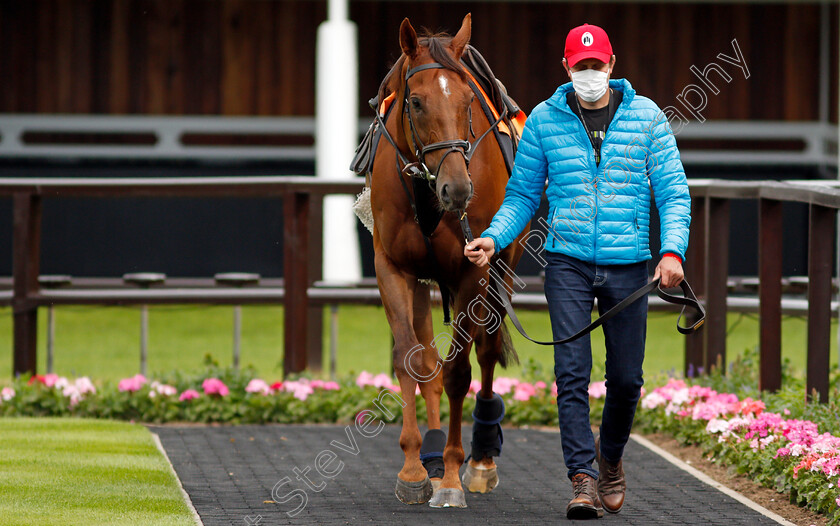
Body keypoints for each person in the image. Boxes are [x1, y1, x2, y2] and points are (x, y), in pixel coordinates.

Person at [464, 23, 690, 520]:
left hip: (630, 264)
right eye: (581, 65)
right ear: (566, 67)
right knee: (571, 374)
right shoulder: (544, 120)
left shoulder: (647, 117)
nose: (590, 73)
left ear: (612, 65)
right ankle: (583, 478)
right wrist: (495, 237)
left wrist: (672, 252)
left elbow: (673, 192)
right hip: (566, 263)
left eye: (598, 65)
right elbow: (523, 195)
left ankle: (610, 459)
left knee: (627, 380)